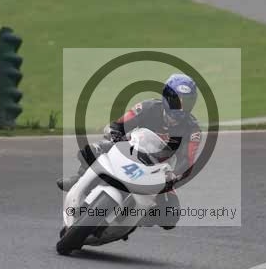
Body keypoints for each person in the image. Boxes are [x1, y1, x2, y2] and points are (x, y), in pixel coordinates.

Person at [57, 74, 202, 230]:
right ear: (166, 98)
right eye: (176, 101)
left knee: (171, 216)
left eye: (186, 103)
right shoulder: (147, 107)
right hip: (130, 151)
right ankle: (79, 178)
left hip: (159, 171)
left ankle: (136, 217)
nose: (180, 108)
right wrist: (114, 133)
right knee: (92, 150)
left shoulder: (193, 129)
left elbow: (187, 160)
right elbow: (118, 124)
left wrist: (174, 174)